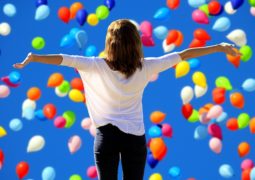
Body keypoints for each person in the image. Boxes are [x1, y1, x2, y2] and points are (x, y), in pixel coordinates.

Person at [13, 19, 240, 180]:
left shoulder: (94, 65)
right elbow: (186, 54)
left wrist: (34, 58)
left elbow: (62, 59)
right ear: (135, 43)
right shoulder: (146, 66)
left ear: (110, 43)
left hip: (106, 137)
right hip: (134, 139)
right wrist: (219, 47)